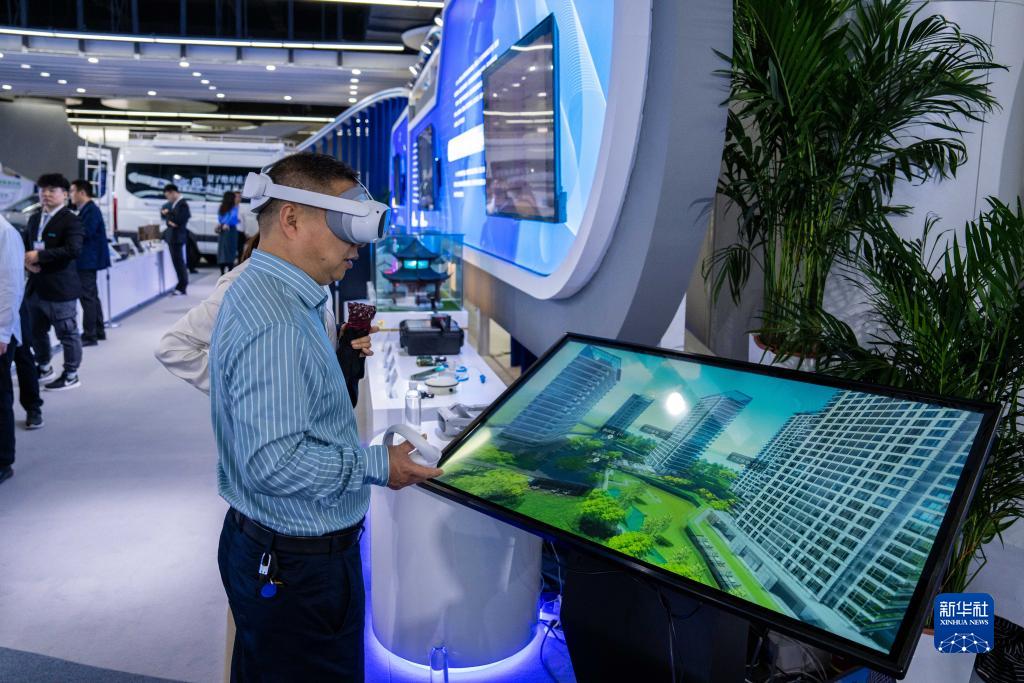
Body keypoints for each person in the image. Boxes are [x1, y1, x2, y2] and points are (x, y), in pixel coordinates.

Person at [210, 152, 440, 682]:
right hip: (297, 568)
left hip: (275, 552)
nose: (357, 247)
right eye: (345, 226)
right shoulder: (277, 319)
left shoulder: (277, 291)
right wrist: (380, 465)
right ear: (291, 218)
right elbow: (274, 464)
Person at [24, 173, 84, 391]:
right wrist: (27, 264)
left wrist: (40, 256)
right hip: (36, 287)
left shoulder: (71, 220)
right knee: (36, 332)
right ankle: (44, 367)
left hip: (60, 288)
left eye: (52, 190)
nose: (46, 194)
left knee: (67, 333)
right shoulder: (34, 218)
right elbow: (26, 247)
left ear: (65, 194)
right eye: (43, 190)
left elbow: (73, 250)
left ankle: (71, 374)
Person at [0, 213, 26, 485]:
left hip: (0, 331)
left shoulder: (5, 232)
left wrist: (2, 331)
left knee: (0, 397)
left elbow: (11, 286)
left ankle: (3, 460)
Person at [71, 179, 111, 346]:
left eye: (72, 191)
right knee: (92, 296)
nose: (70, 195)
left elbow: (85, 233)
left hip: (87, 260)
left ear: (82, 192)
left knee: (87, 297)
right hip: (88, 260)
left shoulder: (91, 210)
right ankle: (98, 331)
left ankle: (90, 335)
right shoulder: (87, 210)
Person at [163, 184, 191, 296]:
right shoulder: (176, 204)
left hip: (177, 238)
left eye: (168, 196)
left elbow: (177, 221)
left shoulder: (182, 204)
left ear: (173, 192)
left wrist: (168, 215)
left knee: (179, 263)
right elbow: (170, 222)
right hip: (173, 237)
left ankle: (182, 286)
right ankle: (181, 285)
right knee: (177, 262)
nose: (168, 199)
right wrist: (170, 220)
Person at [215, 190, 240, 275]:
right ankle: (229, 271)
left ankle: (222, 272)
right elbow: (233, 217)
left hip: (222, 229)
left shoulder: (221, 206)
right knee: (231, 250)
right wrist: (227, 223)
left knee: (222, 250)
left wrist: (223, 223)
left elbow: (219, 218)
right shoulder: (234, 207)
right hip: (230, 230)